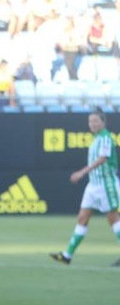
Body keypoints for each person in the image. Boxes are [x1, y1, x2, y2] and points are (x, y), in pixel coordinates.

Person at [50, 108, 120, 266]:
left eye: (96, 121)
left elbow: (103, 159)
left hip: (105, 184)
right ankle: (67, 256)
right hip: (93, 185)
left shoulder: (105, 138)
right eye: (90, 121)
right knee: (82, 217)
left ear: (103, 122)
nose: (92, 124)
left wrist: (82, 172)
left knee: (113, 218)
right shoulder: (95, 139)